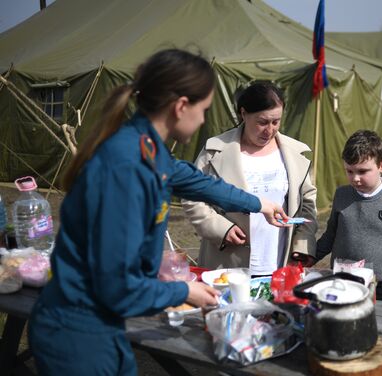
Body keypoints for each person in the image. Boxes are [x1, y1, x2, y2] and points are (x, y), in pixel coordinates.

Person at [28, 49, 288, 375]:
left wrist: (261, 205)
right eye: (203, 109)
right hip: (78, 331)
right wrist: (185, 290)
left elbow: (201, 184)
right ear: (181, 106)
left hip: (105, 325)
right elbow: (118, 287)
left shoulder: (146, 147)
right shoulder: (127, 167)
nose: (204, 119)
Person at [181, 82, 318, 276]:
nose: (269, 130)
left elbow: (307, 205)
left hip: (280, 264)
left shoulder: (296, 153)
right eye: (262, 122)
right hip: (226, 265)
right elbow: (192, 196)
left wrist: (303, 244)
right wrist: (221, 229)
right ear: (243, 114)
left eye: (276, 122)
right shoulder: (215, 150)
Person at [316, 130, 382, 303]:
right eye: (349, 171)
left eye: (363, 171)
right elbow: (330, 235)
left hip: (378, 287)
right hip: (341, 281)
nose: (355, 178)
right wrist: (308, 258)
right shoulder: (342, 195)